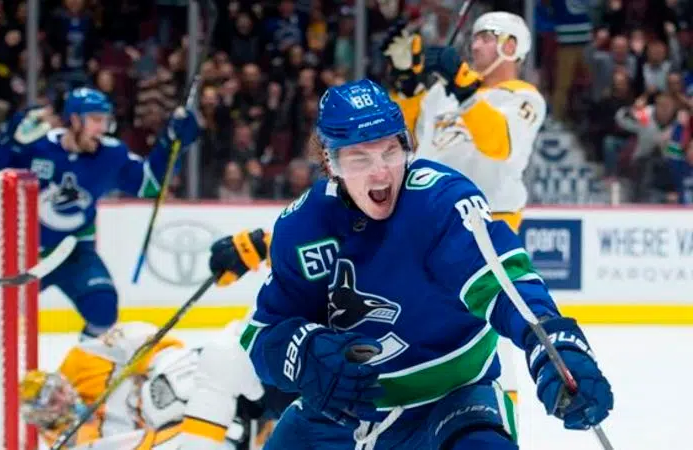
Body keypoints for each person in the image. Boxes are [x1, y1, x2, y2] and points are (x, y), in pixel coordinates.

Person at [238, 79, 612, 449]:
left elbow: (504, 284)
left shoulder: (440, 201)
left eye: (390, 151)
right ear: (329, 161)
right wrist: (304, 353)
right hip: (344, 411)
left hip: (453, 404)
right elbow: (262, 336)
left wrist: (553, 342)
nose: (380, 172)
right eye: (360, 158)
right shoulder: (302, 227)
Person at [0, 87, 199, 339]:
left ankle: (81, 365)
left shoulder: (111, 154)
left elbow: (150, 184)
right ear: (75, 119)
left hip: (75, 252)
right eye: (95, 119)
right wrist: (8, 142)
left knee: (103, 310)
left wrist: (171, 144)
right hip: (25, 252)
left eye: (105, 120)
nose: (102, 128)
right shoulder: (36, 145)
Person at [384, 12, 545, 231]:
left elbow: (498, 144)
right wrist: (407, 85)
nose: (475, 46)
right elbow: (412, 140)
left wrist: (463, 87)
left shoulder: (524, 98)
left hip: (488, 220)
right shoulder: (443, 92)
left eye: (486, 38)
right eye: (475, 39)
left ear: (510, 46)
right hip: (429, 217)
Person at [19, 321, 263, 449]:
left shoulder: (80, 361)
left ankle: (252, 369)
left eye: (59, 389)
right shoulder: (71, 444)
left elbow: (133, 337)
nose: (63, 398)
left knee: (163, 392)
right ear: (42, 418)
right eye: (53, 402)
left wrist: (155, 366)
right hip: (167, 434)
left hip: (171, 384)